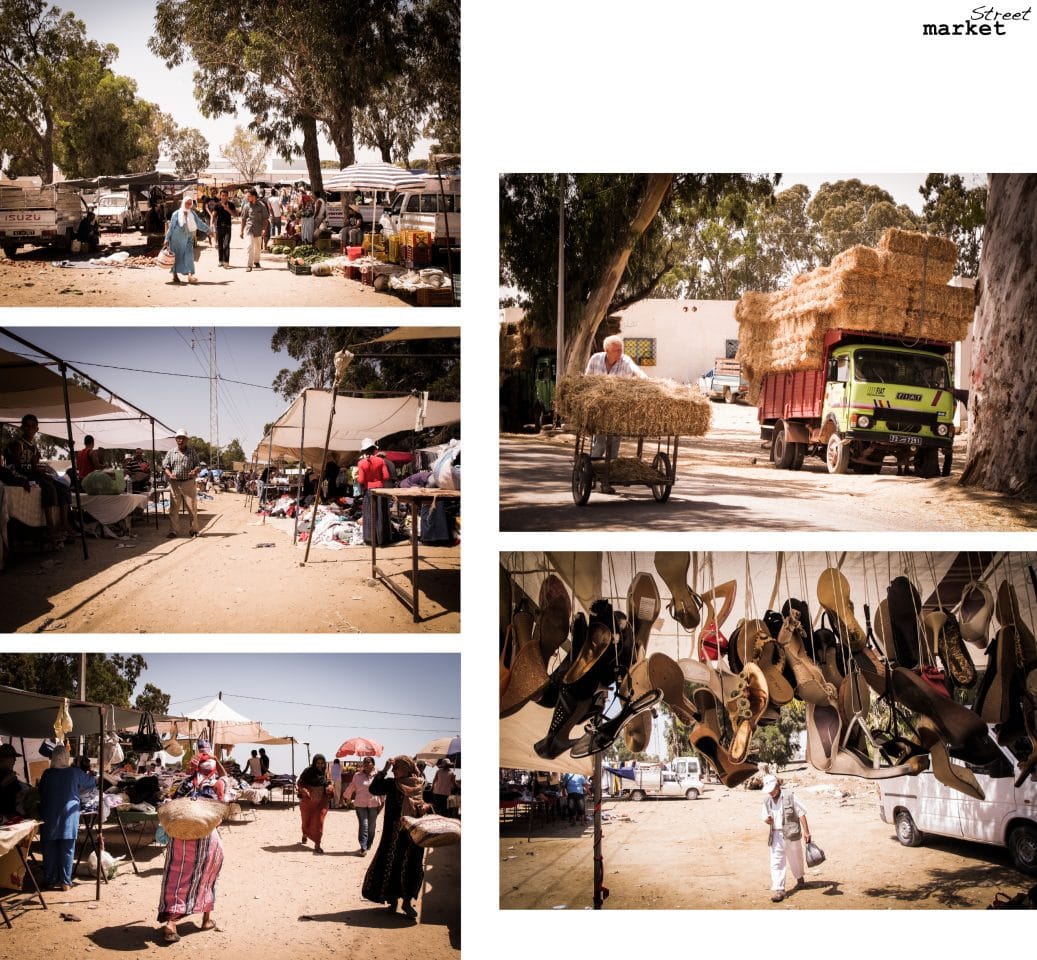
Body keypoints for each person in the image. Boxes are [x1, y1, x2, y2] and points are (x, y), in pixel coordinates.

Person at [157, 776, 225, 942]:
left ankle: (171, 922)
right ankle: (206, 920)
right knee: (207, 877)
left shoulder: (182, 784)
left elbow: (169, 809)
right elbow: (218, 817)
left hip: (179, 836)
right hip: (207, 838)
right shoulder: (214, 784)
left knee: (177, 878)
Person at [362, 756, 432, 917]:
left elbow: (430, 803)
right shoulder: (392, 784)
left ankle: (407, 902)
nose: (394, 772)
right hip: (392, 836)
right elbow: (374, 789)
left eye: (396, 769)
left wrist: (425, 807)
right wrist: (384, 770)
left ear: (407, 768)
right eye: (392, 770)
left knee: (411, 866)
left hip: (412, 835)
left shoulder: (420, 784)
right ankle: (392, 901)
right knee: (390, 865)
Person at [583, 335, 648, 492]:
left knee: (614, 444)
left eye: (621, 349)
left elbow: (637, 372)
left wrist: (647, 380)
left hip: (618, 411)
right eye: (616, 350)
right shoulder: (595, 359)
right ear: (607, 350)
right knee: (600, 443)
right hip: (598, 410)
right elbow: (586, 381)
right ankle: (589, 474)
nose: (620, 353)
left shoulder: (625, 361)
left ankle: (607, 480)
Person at [3, 413, 73, 546]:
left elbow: (34, 466)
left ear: (37, 429)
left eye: (33, 426)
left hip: (32, 473)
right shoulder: (18, 444)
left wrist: (42, 472)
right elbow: (16, 466)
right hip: (22, 474)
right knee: (49, 487)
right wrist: (37, 473)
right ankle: (50, 527)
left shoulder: (35, 449)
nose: (30, 429)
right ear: (22, 427)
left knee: (63, 488)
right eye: (27, 426)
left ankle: (64, 522)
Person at [38, 745, 95, 890]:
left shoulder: (47, 774)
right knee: (67, 849)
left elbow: (41, 791)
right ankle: (65, 882)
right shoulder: (74, 772)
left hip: (49, 815)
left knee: (49, 848)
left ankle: (50, 879)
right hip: (69, 817)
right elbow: (90, 783)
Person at [762, 773, 812, 903]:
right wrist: (768, 820)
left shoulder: (790, 796)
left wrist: (807, 832)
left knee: (796, 858)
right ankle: (779, 889)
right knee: (776, 862)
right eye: (769, 791)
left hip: (791, 833)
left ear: (778, 785)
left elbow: (801, 813)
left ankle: (800, 878)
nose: (771, 793)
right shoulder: (766, 801)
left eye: (772, 790)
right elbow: (764, 817)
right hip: (776, 834)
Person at [162, 429, 202, 539]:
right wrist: (170, 474)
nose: (180, 440)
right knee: (174, 508)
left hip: (188, 482)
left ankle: (194, 530)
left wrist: (195, 471)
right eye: (178, 438)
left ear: (186, 440)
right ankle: (173, 531)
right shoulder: (171, 452)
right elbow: (166, 466)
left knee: (192, 507)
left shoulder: (192, 452)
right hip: (175, 484)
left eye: (183, 438)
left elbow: (198, 465)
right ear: (176, 440)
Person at [162, 194, 209, 285]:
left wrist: (208, 230)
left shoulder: (192, 214)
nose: (188, 205)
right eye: (187, 203)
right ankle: (175, 275)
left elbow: (199, 223)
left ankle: (190, 275)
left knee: (189, 255)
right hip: (176, 239)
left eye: (190, 203)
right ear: (183, 203)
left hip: (188, 237)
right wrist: (167, 239)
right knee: (176, 256)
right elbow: (171, 228)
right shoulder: (176, 214)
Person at [343, 756, 383, 855]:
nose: (365, 764)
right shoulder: (357, 775)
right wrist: (346, 796)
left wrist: (382, 803)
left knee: (371, 826)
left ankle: (369, 844)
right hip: (360, 804)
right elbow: (352, 786)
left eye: (368, 762)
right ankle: (363, 847)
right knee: (364, 825)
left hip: (374, 804)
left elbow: (382, 790)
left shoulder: (378, 775)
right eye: (364, 762)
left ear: (373, 764)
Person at [357, 438, 392, 546]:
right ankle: (383, 539)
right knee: (381, 514)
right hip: (380, 490)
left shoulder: (361, 463)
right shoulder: (381, 461)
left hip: (369, 491)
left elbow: (361, 480)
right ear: (374, 450)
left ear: (363, 451)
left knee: (369, 514)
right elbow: (386, 476)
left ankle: (370, 539)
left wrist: (358, 478)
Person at [297, 754, 333, 854]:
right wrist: (304, 789)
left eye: (322, 763)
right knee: (306, 820)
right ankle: (305, 834)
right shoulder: (307, 771)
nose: (320, 765)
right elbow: (300, 782)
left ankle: (317, 844)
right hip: (308, 800)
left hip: (322, 800)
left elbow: (329, 782)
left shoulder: (326, 771)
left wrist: (330, 787)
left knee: (319, 821)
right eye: (318, 763)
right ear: (314, 763)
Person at [240, 189, 269, 272]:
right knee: (250, 246)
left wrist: (264, 229)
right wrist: (241, 231)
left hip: (259, 229)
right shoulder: (246, 206)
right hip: (249, 228)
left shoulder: (261, 206)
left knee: (257, 247)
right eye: (247, 196)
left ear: (254, 196)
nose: (247, 198)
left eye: (249, 196)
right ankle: (249, 265)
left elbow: (265, 219)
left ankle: (256, 262)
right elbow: (243, 219)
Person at [0, 742, 26, 822]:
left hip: (13, 818)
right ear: (3, 759)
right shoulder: (5, 777)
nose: (15, 760)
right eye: (12, 757)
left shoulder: (10, 776)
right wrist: (3, 784)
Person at [212, 189, 236, 269]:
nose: (224, 197)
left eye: (225, 195)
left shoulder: (231, 204)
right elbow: (214, 215)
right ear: (220, 196)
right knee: (220, 245)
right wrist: (212, 223)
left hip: (228, 227)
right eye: (222, 195)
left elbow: (235, 215)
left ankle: (226, 261)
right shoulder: (217, 205)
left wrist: (227, 209)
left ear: (227, 196)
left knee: (226, 245)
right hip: (219, 227)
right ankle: (220, 261)